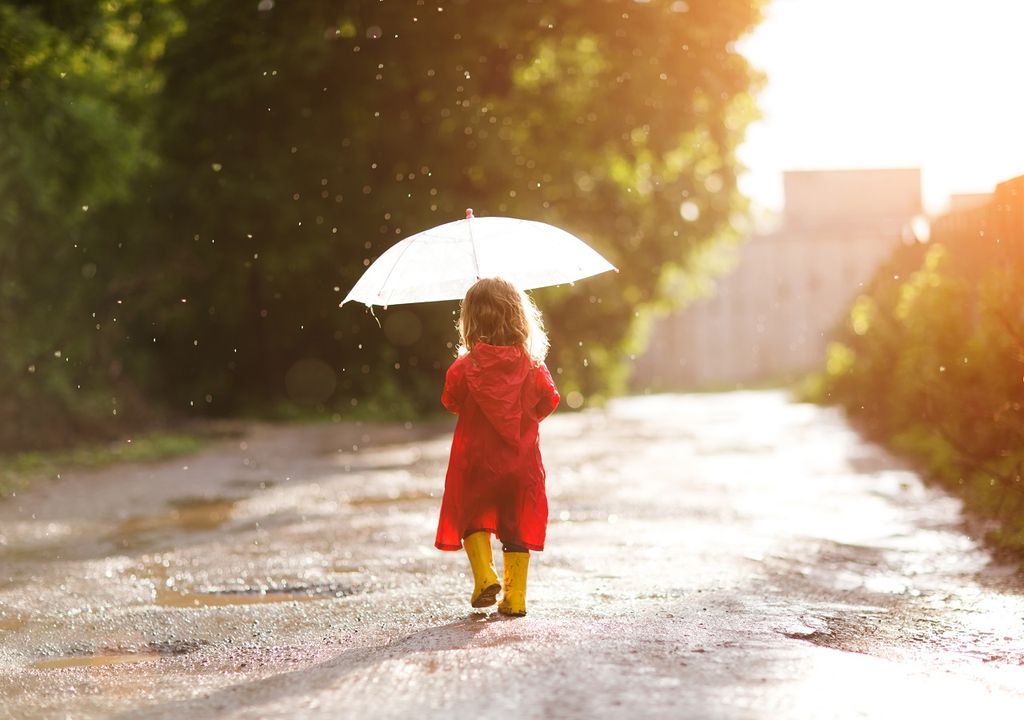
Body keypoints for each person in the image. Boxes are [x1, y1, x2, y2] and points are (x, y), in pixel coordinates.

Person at [435, 277, 560, 617]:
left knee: (471, 515)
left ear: (470, 321)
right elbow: (549, 400)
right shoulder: (533, 366)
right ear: (520, 317)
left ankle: (485, 577)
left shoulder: (464, 367)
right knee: (516, 525)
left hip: (476, 461)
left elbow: (451, 400)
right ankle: (515, 597)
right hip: (521, 464)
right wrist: (521, 419)